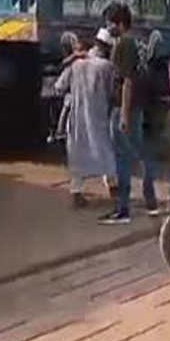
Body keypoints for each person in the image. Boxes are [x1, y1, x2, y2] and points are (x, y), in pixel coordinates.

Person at [99, 3, 160, 224]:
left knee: (122, 158)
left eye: (109, 23)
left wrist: (123, 114)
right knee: (141, 152)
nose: (107, 27)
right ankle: (150, 201)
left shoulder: (123, 43)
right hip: (137, 107)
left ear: (120, 23)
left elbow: (126, 81)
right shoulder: (137, 41)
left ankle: (122, 210)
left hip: (124, 108)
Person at [54, 32, 117, 210]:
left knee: (78, 155)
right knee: (105, 151)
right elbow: (112, 93)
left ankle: (77, 194)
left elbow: (59, 87)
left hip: (78, 118)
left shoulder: (76, 65)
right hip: (99, 117)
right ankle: (114, 190)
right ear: (107, 47)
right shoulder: (107, 67)